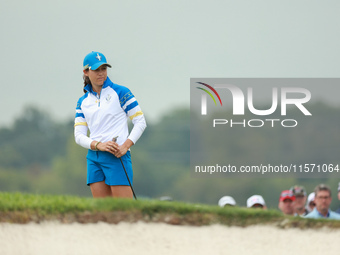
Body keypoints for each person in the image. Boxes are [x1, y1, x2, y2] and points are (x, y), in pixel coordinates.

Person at [74, 51, 147, 199]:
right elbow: (79, 135)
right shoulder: (83, 102)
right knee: (103, 211)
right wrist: (98, 145)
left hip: (117, 156)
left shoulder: (121, 92)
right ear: (86, 72)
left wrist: (125, 146)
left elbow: (140, 121)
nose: (101, 73)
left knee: (124, 211)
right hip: (94, 158)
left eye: (104, 69)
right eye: (96, 70)